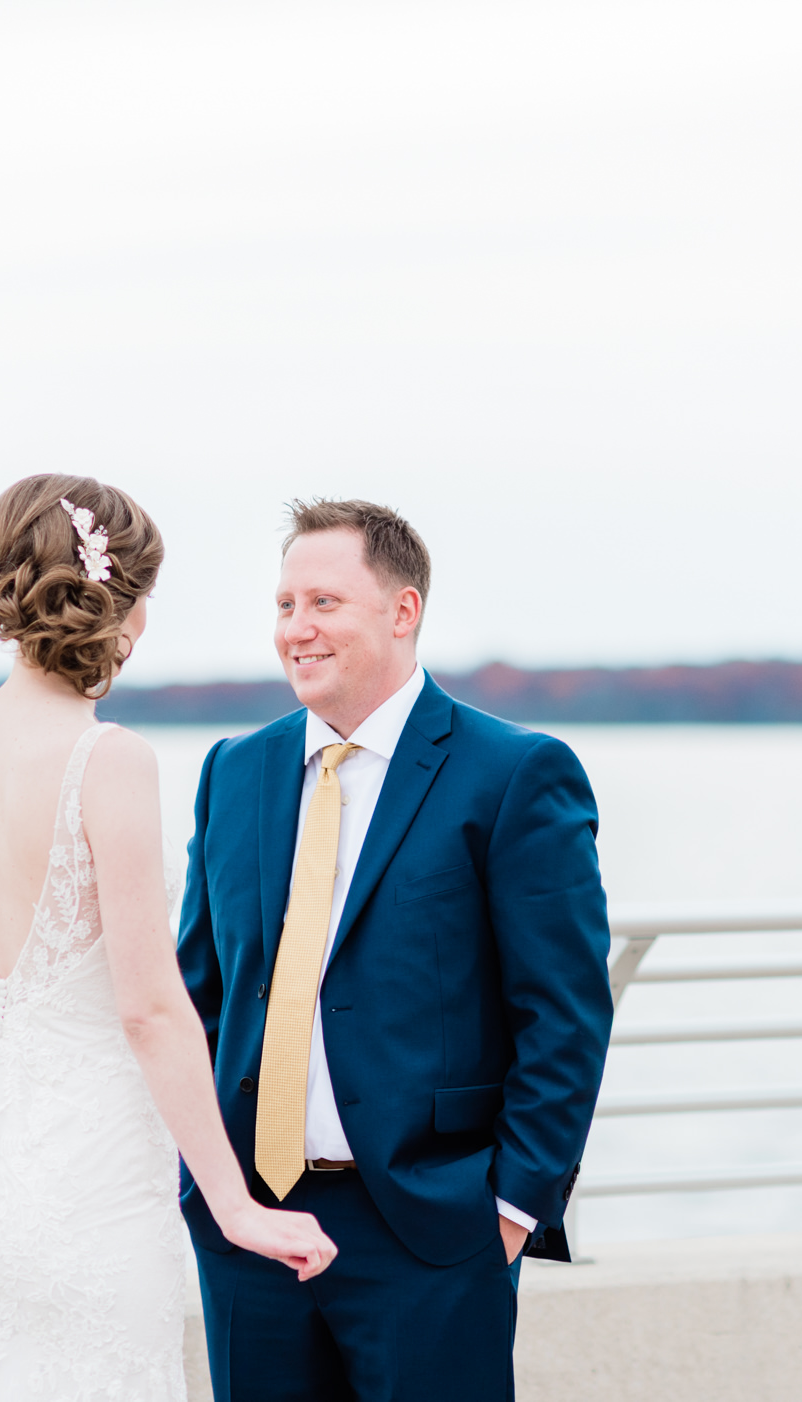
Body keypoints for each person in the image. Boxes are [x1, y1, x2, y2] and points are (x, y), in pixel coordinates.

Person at [0, 474, 337, 1402]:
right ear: (118, 602)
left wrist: (2, 1154)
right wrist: (235, 1203)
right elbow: (149, 1008)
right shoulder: (110, 759)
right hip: (89, 1188)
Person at [178, 499, 614, 1401]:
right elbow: (201, 994)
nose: (297, 628)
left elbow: (564, 1011)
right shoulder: (235, 769)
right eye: (286, 604)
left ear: (402, 611)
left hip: (434, 1234)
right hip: (255, 1236)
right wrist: (208, 1190)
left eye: (324, 603)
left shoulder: (513, 773)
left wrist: (507, 1212)